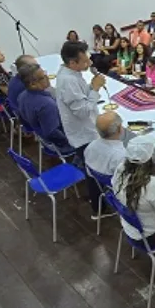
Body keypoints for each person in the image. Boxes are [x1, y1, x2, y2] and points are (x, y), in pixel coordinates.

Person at [56, 41, 105, 216]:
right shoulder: (68, 80)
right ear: (72, 63)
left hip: (86, 131)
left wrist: (91, 87)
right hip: (84, 136)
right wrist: (96, 89)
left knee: (93, 168)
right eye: (85, 61)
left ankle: (99, 199)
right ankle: (98, 209)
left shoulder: (72, 73)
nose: (89, 64)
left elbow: (82, 98)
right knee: (93, 171)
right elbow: (83, 111)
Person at [112, 136, 155, 248]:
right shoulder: (153, 184)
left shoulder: (120, 169)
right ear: (151, 157)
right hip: (151, 237)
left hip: (131, 228)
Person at [17, 63, 73, 155]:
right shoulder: (46, 105)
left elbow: (23, 119)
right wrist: (70, 141)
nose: (48, 78)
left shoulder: (22, 96)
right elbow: (52, 133)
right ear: (33, 84)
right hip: (60, 146)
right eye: (43, 77)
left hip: (42, 140)